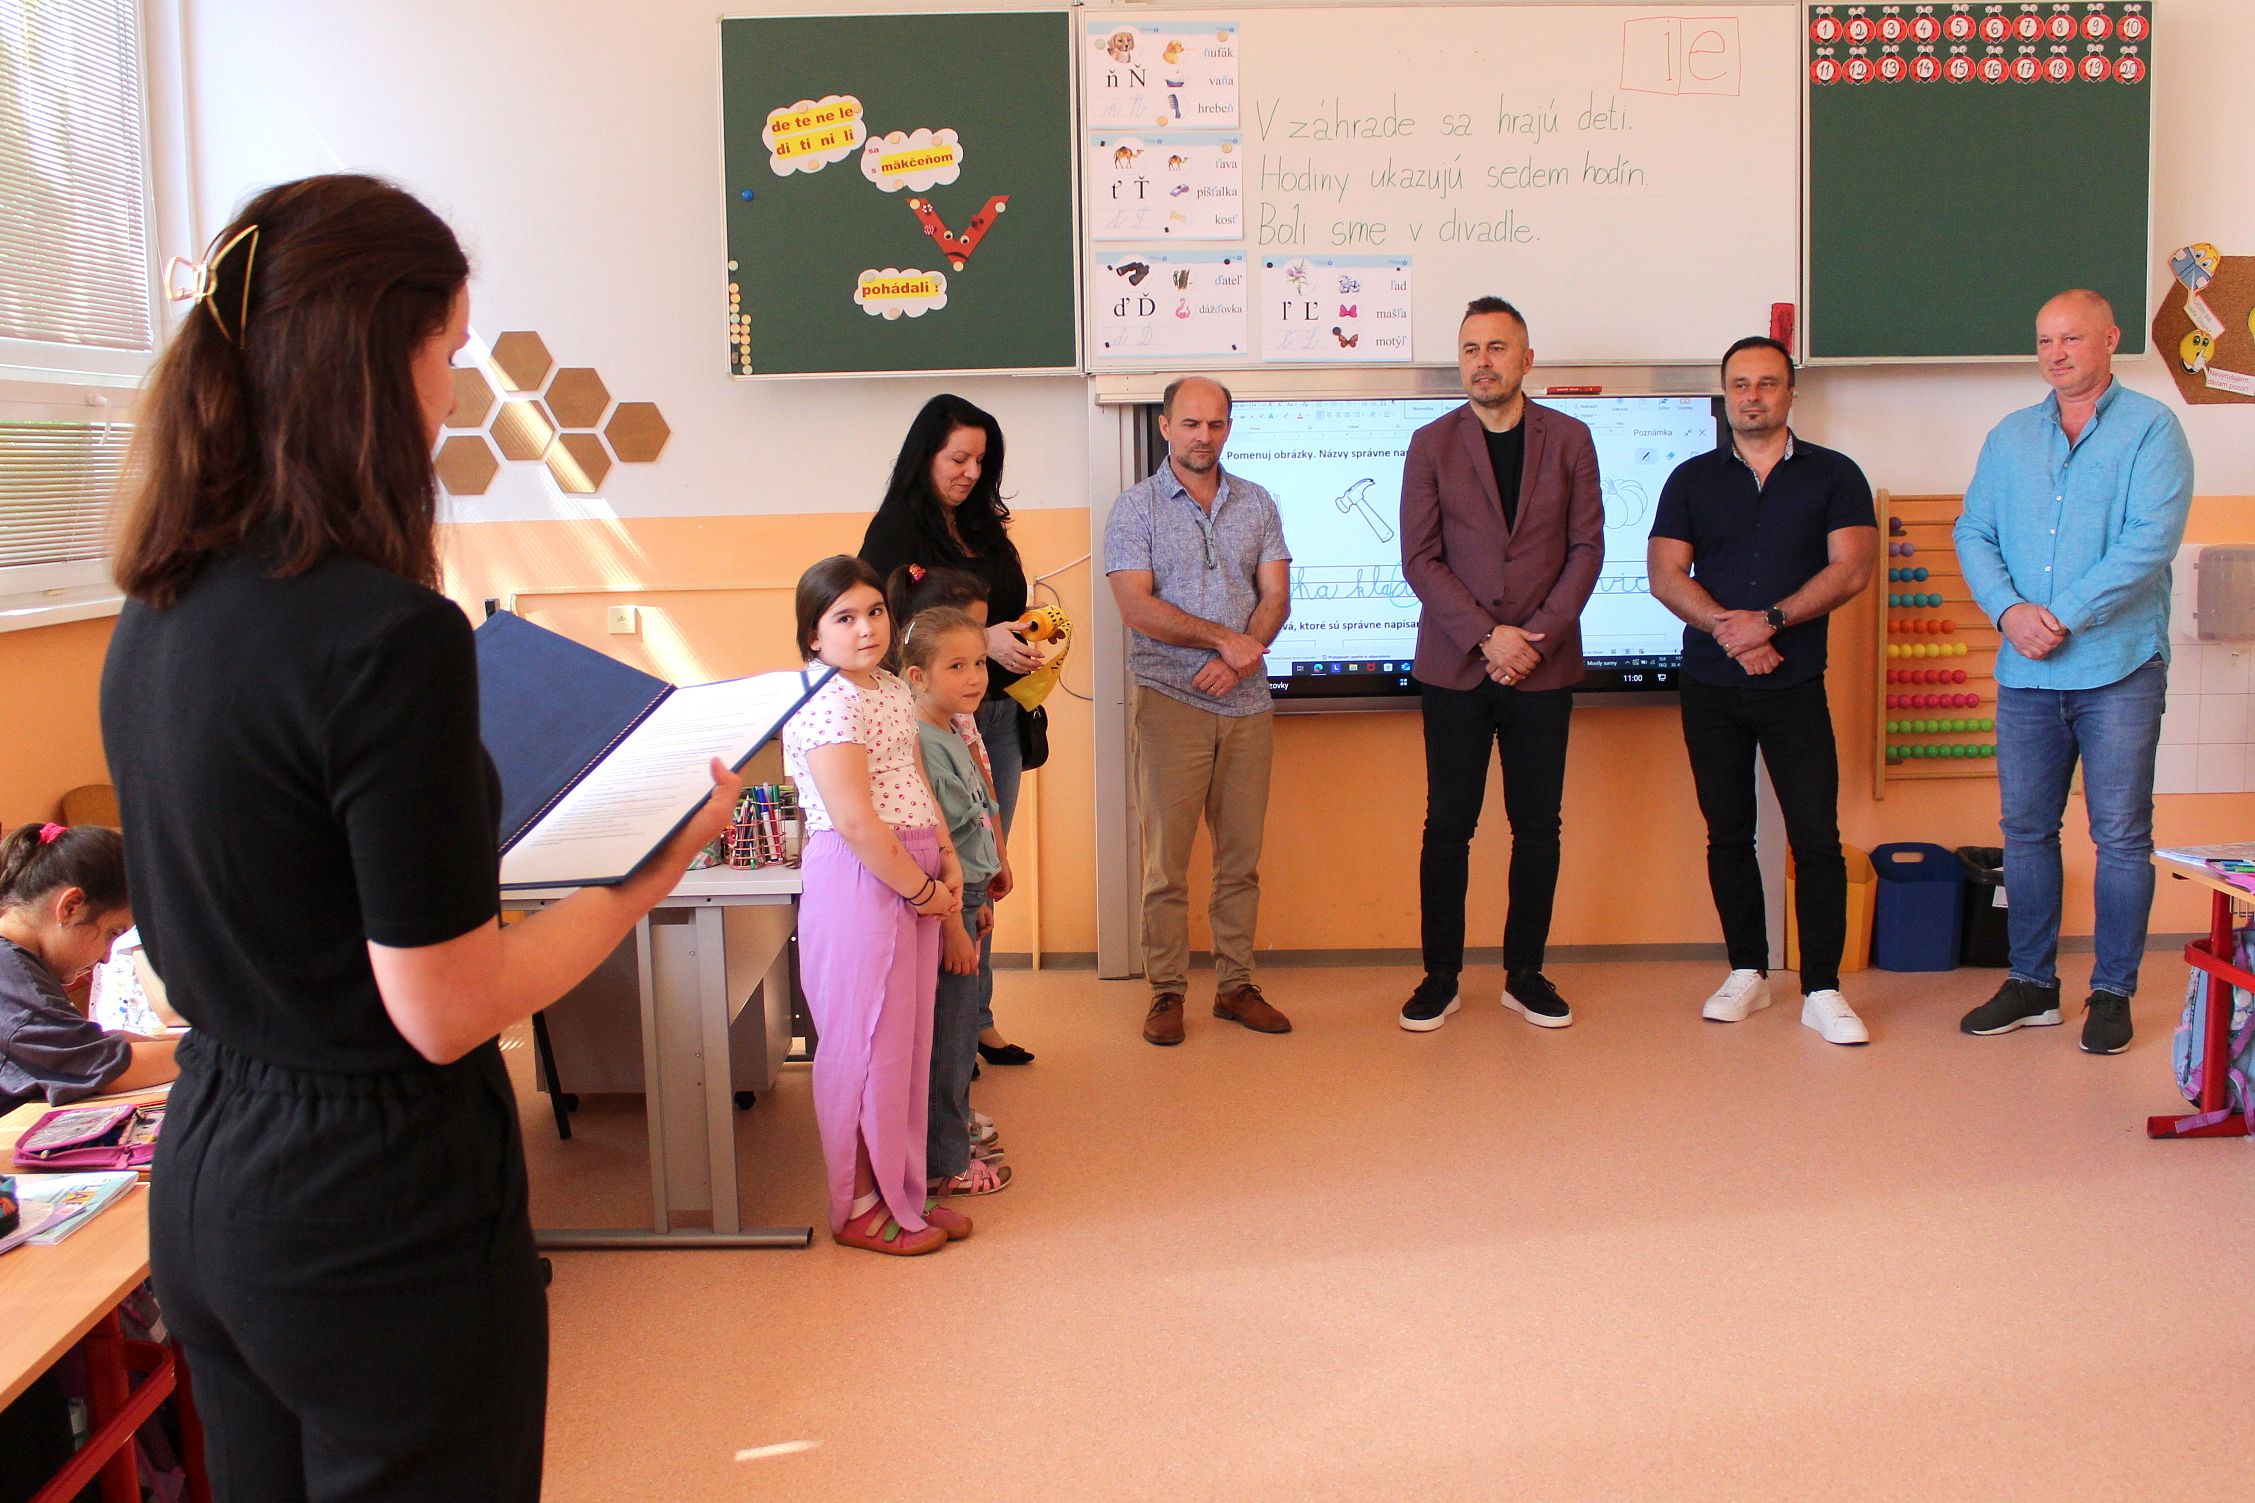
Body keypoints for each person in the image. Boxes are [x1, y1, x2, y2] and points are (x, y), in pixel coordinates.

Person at [99, 174, 738, 1500]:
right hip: (369, 1202)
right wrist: (645, 876)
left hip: (211, 1176)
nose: (451, 391)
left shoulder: (155, 610)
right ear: (372, 363)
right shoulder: (388, 635)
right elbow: (444, 1008)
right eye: (448, 350)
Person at [1953, 290, 2196, 1054]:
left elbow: (2150, 538)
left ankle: (2112, 992)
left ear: (2109, 339)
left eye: (2070, 338)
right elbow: (1972, 530)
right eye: (2043, 341)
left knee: (2119, 835)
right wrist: (2006, 611)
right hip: (2025, 674)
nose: (2055, 353)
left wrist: (2057, 616)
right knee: (2025, 832)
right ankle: (2032, 984)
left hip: (2117, 667)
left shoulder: (2151, 428)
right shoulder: (2008, 436)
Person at [1647, 337, 1879, 1045]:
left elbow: (1852, 568)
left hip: (1795, 684)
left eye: (1767, 383)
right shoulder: (1690, 479)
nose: (1752, 396)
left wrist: (1770, 622)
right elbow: (1664, 575)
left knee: (1816, 838)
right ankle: (1746, 970)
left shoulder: (1835, 474)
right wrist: (1733, 631)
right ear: (1725, 395)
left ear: (1789, 394)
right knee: (1727, 833)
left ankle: (1822, 988)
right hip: (1710, 687)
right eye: (1740, 384)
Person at [1396, 297, 1603, 1033]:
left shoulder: (1571, 439)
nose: (1482, 362)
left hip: (1543, 669)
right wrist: (1488, 636)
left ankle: (1524, 974)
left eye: (1496, 347)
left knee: (1537, 826)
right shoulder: (1430, 444)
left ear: (1526, 359)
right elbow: (1419, 558)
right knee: (1447, 826)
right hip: (1455, 667)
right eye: (1470, 349)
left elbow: (1586, 548)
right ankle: (1440, 977)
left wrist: (1533, 639)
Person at [784, 554, 969, 1254]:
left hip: (911, 865)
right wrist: (925, 892)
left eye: (875, 612)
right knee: (863, 1049)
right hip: (863, 877)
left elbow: (914, 778)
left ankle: (902, 1192)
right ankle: (856, 1206)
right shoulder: (825, 701)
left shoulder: (888, 687)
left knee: (905, 1049)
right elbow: (857, 823)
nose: (866, 629)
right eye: (844, 618)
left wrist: (946, 855)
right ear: (813, 634)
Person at [1105, 376, 1293, 1046]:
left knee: (1240, 861)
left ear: (1228, 427)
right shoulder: (1135, 508)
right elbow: (1136, 606)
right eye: (1189, 423)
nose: (1202, 436)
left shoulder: (1257, 501)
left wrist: (1240, 658)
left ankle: (1236, 986)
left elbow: (1276, 596)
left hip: (1247, 707)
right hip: (1170, 703)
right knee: (1166, 865)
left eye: (1215, 423)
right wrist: (1222, 640)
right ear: (1164, 427)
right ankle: (1166, 991)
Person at [861, 395, 1038, 1067]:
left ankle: (975, 1020)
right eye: (957, 458)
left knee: (984, 865)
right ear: (925, 457)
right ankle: (942, 1037)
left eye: (980, 462)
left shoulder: (984, 527)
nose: (970, 473)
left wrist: (1024, 636)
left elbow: (1002, 608)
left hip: (996, 716)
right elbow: (886, 627)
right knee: (942, 865)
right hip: (930, 723)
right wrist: (978, 642)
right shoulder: (895, 530)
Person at [902, 604, 1012, 1198]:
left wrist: (982, 891)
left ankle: (952, 1131)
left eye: (980, 664)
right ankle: (944, 1163)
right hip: (950, 906)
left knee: (961, 1028)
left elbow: (974, 824)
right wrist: (955, 924)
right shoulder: (923, 741)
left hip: (967, 898)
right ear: (917, 677)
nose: (975, 678)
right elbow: (940, 837)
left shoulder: (950, 730)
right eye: (957, 666)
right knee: (949, 1036)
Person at [0, 823, 178, 1114]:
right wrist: (214, 1053)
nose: (107, 958)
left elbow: (83, 1053)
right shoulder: (10, 974)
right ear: (71, 906)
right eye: (111, 933)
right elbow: (106, 1070)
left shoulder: (18, 965)